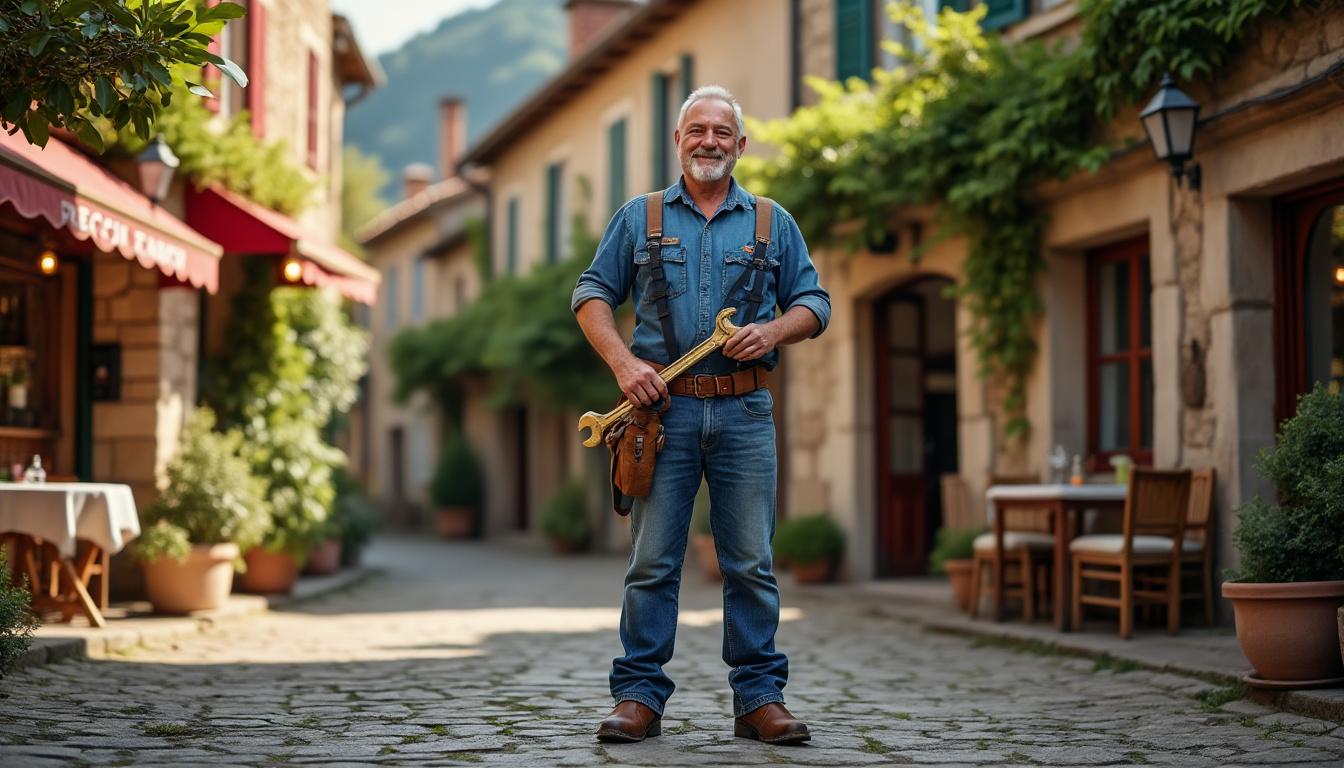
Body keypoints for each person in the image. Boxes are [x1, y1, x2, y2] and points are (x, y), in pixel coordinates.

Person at [571, 85, 831, 745]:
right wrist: (625, 366)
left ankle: (759, 701)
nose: (709, 141)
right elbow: (592, 293)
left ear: (740, 145)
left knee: (751, 562)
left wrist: (773, 333)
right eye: (697, 130)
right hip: (660, 422)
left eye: (722, 131)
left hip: (745, 412)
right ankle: (638, 698)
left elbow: (815, 302)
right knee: (653, 562)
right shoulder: (641, 217)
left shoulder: (773, 222)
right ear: (679, 142)